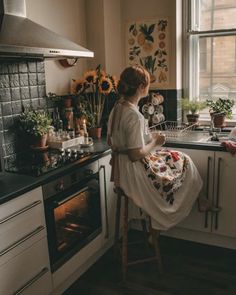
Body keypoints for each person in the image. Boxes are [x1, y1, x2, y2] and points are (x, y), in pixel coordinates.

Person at [107, 65, 203, 231]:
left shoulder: (117, 108)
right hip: (133, 173)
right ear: (141, 87)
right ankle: (158, 225)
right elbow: (135, 154)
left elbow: (111, 140)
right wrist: (156, 142)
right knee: (183, 161)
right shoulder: (134, 116)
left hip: (119, 171)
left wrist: (146, 137)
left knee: (176, 156)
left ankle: (201, 201)